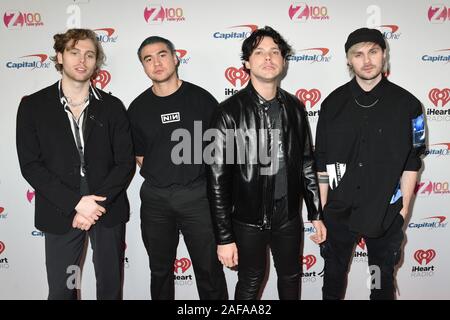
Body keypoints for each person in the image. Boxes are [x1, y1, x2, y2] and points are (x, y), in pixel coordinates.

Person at [207, 26, 326, 300]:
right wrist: (224, 237)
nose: (268, 57)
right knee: (250, 281)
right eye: (259, 52)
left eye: (275, 51)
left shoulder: (295, 107)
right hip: (248, 220)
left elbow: (307, 162)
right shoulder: (227, 113)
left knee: (291, 277)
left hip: (288, 217)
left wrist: (316, 213)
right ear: (247, 63)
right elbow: (216, 181)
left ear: (283, 61)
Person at [16, 28, 135, 300]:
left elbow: (125, 162)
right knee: (62, 290)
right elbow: (31, 165)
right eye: (74, 52)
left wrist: (95, 205)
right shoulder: (33, 106)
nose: (82, 60)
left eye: (89, 54)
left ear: (96, 62)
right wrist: (76, 203)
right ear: (59, 56)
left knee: (110, 288)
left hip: (107, 210)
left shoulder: (113, 106)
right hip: (60, 211)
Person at [315, 27, 426, 300]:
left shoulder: (410, 106)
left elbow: (412, 163)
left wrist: (403, 213)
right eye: (358, 54)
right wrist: (323, 211)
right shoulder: (331, 105)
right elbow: (322, 163)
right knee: (332, 280)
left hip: (386, 212)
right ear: (348, 60)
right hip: (339, 213)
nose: (366, 60)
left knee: (380, 283)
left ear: (384, 54)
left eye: (373, 52)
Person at [127, 36, 228, 300]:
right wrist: (164, 174)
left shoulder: (202, 100)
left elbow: (219, 151)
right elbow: (139, 156)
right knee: (159, 271)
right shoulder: (137, 108)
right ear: (143, 67)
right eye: (148, 59)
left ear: (175, 58)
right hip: (155, 199)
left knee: (208, 270)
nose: (156, 63)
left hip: (197, 196)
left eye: (162, 55)